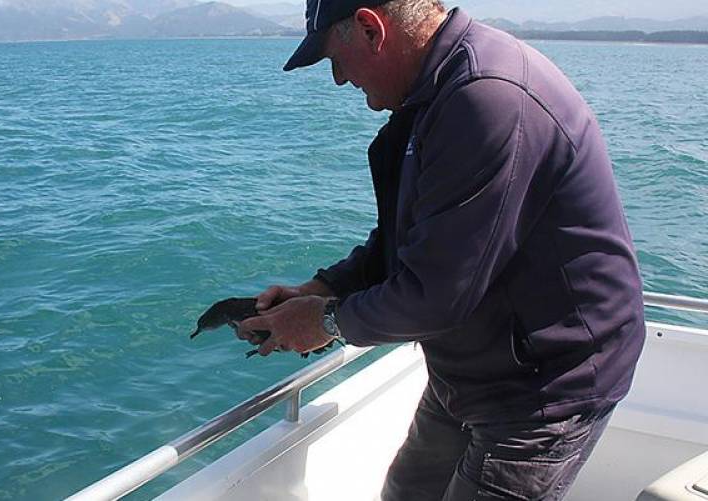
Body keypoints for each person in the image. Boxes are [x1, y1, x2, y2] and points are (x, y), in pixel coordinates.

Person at [237, 0, 646, 499]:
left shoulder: (487, 98)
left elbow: (437, 294)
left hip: (544, 385)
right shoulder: (435, 93)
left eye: (334, 59)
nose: (339, 79)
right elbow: (413, 241)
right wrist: (323, 288)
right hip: (474, 368)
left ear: (370, 28)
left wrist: (324, 322)